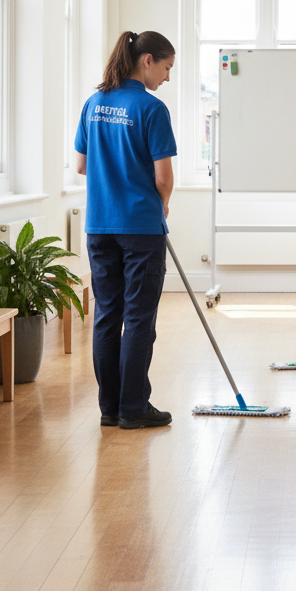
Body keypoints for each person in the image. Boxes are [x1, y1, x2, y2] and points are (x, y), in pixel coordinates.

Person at [74, 31, 177, 430]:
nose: (167, 78)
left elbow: (81, 166)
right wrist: (163, 202)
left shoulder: (93, 103)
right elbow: (163, 176)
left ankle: (109, 408)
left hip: (99, 226)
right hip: (141, 228)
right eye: (166, 68)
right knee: (137, 318)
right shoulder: (152, 109)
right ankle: (134, 407)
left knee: (106, 316)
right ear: (147, 60)